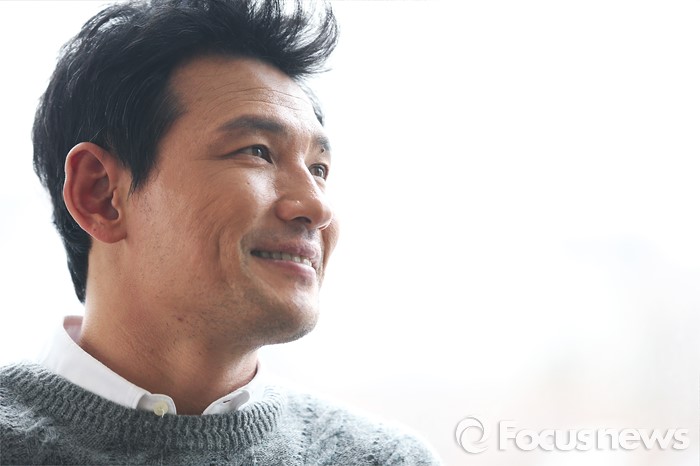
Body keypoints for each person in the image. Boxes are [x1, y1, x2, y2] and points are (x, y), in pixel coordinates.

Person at [0, 0, 441, 464]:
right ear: (101, 194)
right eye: (257, 151)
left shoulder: (383, 458)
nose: (317, 207)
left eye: (319, 169)